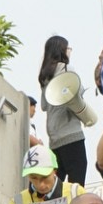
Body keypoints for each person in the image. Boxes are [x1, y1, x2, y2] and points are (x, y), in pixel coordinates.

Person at [40, 36, 90, 185]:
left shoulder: (45, 75)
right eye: (68, 48)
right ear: (62, 50)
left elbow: (43, 105)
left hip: (54, 138)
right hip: (71, 134)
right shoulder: (67, 69)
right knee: (77, 181)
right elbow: (78, 92)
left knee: (56, 185)